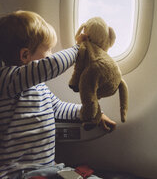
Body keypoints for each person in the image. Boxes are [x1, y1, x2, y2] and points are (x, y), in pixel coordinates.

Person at [0, 11, 116, 178]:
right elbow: (50, 66)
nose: (51, 55)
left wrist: (92, 112)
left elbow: (58, 108)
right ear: (25, 55)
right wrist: (81, 48)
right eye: (48, 50)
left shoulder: (39, 87)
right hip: (17, 173)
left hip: (47, 168)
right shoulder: (6, 80)